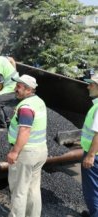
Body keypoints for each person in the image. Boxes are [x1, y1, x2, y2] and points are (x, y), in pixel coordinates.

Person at [7, 74, 47, 217]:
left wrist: (14, 152)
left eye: (19, 86)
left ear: (28, 90)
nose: (15, 89)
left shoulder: (26, 107)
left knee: (19, 190)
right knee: (33, 188)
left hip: (26, 153)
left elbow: (24, 130)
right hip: (40, 150)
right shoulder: (39, 101)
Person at [80, 73, 98, 217]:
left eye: (91, 84)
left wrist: (90, 156)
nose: (88, 87)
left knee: (92, 189)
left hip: (95, 155)